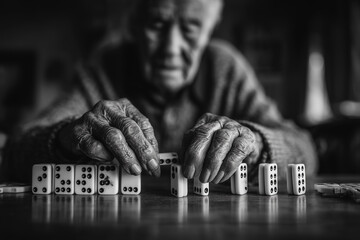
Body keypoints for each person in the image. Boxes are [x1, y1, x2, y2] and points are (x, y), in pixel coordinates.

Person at [2, 0, 318, 184]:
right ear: (135, 23)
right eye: (157, 24)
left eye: (191, 29)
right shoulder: (105, 63)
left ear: (211, 28)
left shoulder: (226, 66)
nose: (170, 49)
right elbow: (15, 150)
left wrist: (256, 143)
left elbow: (304, 148)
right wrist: (66, 138)